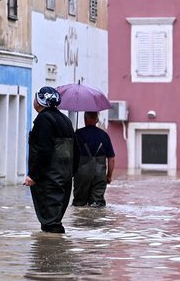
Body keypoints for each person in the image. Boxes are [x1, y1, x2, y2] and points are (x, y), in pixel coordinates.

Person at [24, 86, 78, 233]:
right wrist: (70, 174)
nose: (34, 100)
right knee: (56, 219)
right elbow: (76, 151)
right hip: (65, 179)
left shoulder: (43, 120)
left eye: (36, 97)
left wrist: (33, 175)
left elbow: (44, 150)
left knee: (50, 224)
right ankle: (57, 251)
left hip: (49, 180)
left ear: (40, 101)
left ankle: (52, 253)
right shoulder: (66, 120)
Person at [73, 111, 116, 207]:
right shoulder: (104, 135)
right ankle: (96, 221)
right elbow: (111, 159)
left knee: (79, 205)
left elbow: (71, 156)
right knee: (97, 205)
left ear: (85, 118)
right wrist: (109, 176)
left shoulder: (77, 134)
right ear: (97, 119)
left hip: (81, 175)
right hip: (99, 175)